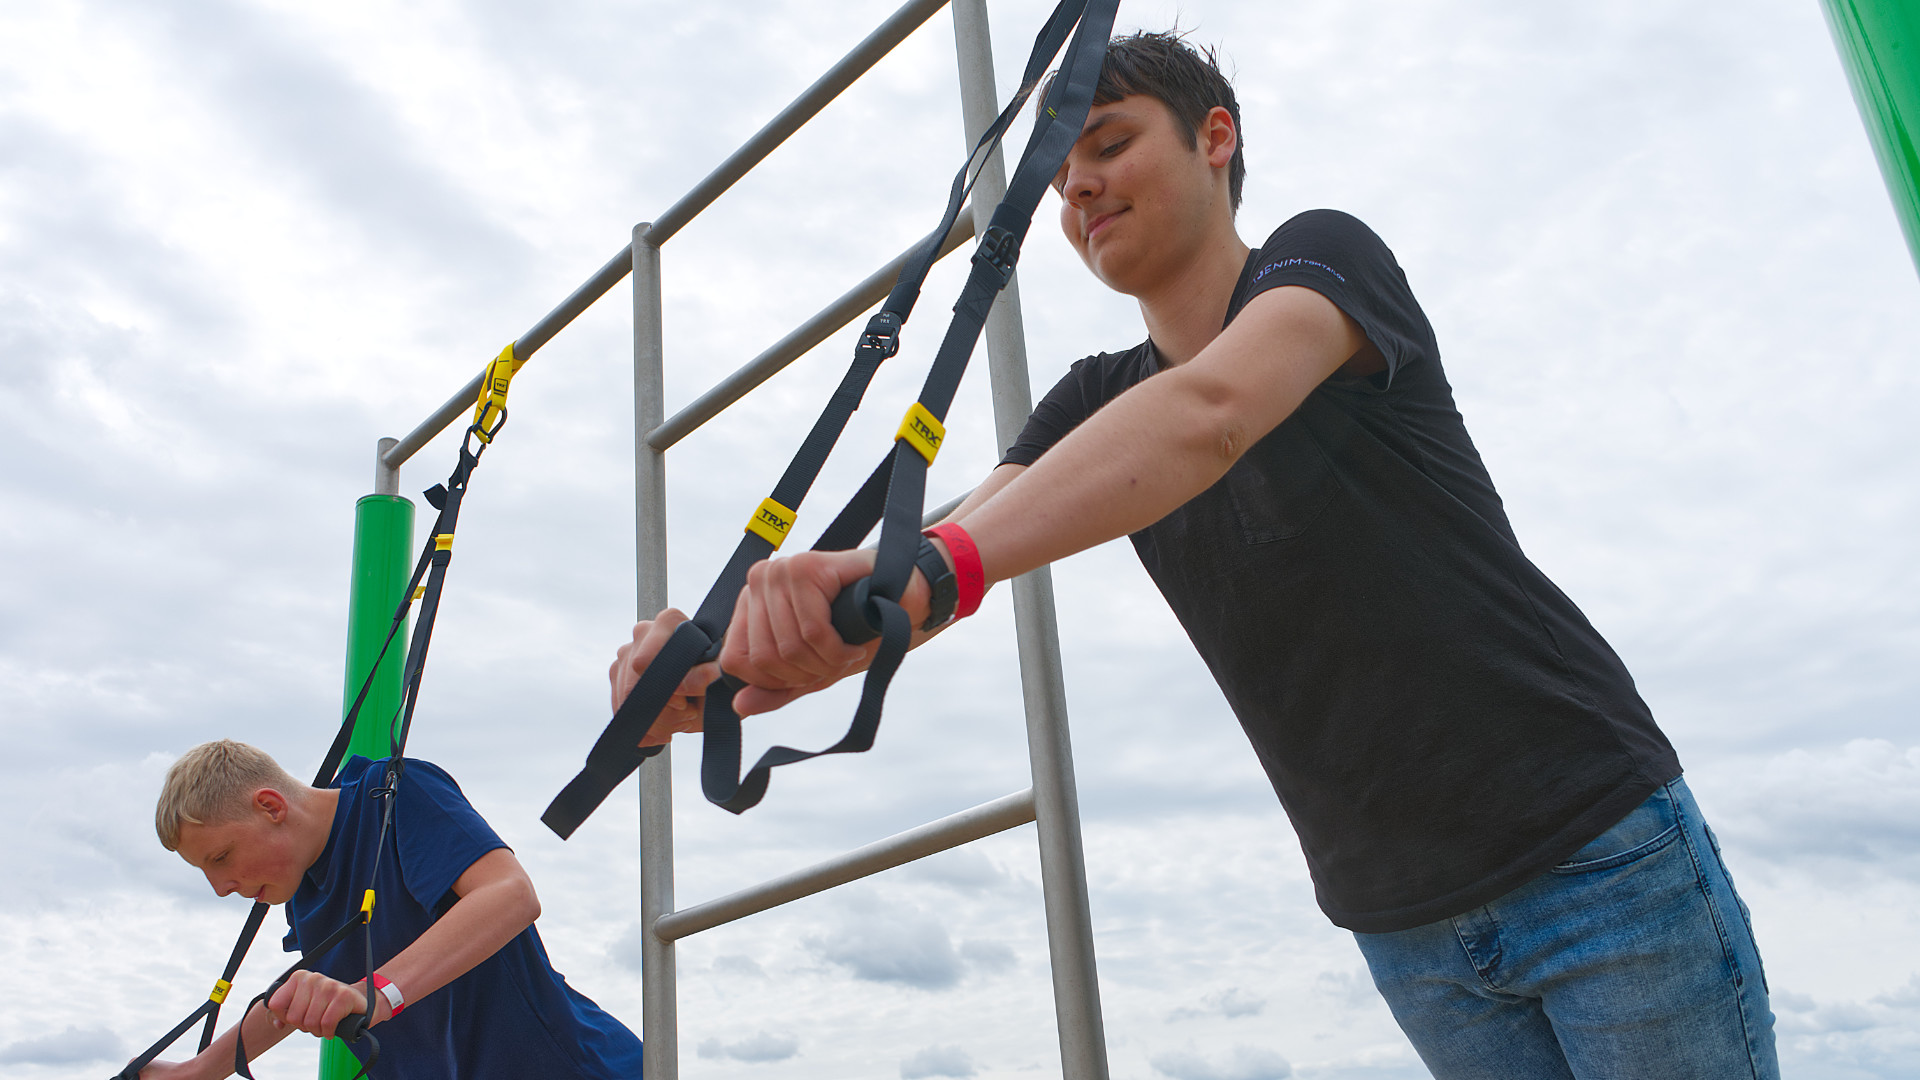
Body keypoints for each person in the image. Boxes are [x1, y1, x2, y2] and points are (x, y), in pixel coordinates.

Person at [613, 31, 1777, 1079]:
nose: (1079, 188)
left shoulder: (1321, 262)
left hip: (1592, 854)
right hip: (1402, 923)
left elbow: (1211, 412)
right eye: (1063, 177)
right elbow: (926, 567)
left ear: (1217, 140)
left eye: (1108, 145)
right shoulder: (1088, 402)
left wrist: (928, 574)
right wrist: (718, 672)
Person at [141, 740, 645, 1080]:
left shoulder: (395, 795)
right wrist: (194, 1073)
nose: (221, 888)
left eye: (221, 858)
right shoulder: (302, 892)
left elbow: (511, 895)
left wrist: (378, 993)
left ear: (272, 807)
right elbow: (295, 1005)